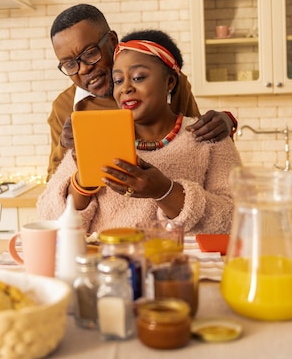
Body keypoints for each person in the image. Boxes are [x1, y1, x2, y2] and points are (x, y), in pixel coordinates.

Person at [37, 29, 242, 235]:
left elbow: (235, 219)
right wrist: (82, 182)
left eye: (138, 77)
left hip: (176, 263)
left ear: (170, 82)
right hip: (108, 262)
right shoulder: (97, 136)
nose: (125, 88)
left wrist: (165, 192)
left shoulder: (209, 138)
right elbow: (48, 216)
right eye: (117, 81)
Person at [46, 4, 238, 180]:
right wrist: (64, 146)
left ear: (112, 41)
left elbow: (198, 146)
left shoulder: (164, 84)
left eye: (90, 53)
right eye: (70, 64)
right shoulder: (65, 107)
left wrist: (225, 123)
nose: (83, 69)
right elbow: (55, 189)